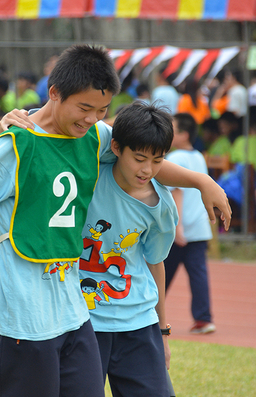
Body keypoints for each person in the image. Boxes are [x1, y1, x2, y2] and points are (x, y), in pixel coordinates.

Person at [0, 44, 231, 396]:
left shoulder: (94, 135)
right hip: (22, 297)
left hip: (70, 299)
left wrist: (202, 181)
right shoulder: (15, 145)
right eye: (84, 108)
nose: (91, 118)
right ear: (54, 93)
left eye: (101, 110)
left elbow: (140, 155)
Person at [78, 102, 177, 396]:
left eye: (158, 161)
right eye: (139, 158)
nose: (147, 170)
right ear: (117, 148)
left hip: (138, 323)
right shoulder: (88, 177)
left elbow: (154, 264)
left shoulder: (160, 206)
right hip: (82, 321)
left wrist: (163, 332)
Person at [165, 113, 215, 334]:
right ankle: (204, 318)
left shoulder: (176, 159)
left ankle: (149, 316)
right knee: (198, 275)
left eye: (172, 129)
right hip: (199, 228)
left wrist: (177, 227)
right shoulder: (198, 157)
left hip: (181, 229)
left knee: (161, 273)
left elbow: (177, 192)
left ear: (184, 134)